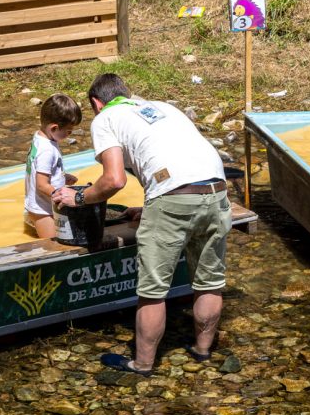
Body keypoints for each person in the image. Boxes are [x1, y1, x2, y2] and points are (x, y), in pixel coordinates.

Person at [54, 73, 230, 376]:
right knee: (209, 281)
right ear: (128, 92)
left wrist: (79, 198)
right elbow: (173, 158)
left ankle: (143, 364)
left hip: (173, 198)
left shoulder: (105, 118)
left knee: (152, 290)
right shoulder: (163, 107)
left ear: (97, 103)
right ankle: (202, 351)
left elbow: (114, 180)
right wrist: (149, 204)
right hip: (216, 190)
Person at [24, 94, 80, 242]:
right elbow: (42, 184)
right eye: (68, 131)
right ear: (54, 128)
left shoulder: (40, 138)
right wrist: (60, 194)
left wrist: (62, 177)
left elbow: (41, 170)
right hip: (42, 211)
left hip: (41, 204)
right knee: (54, 244)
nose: (70, 134)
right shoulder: (47, 150)